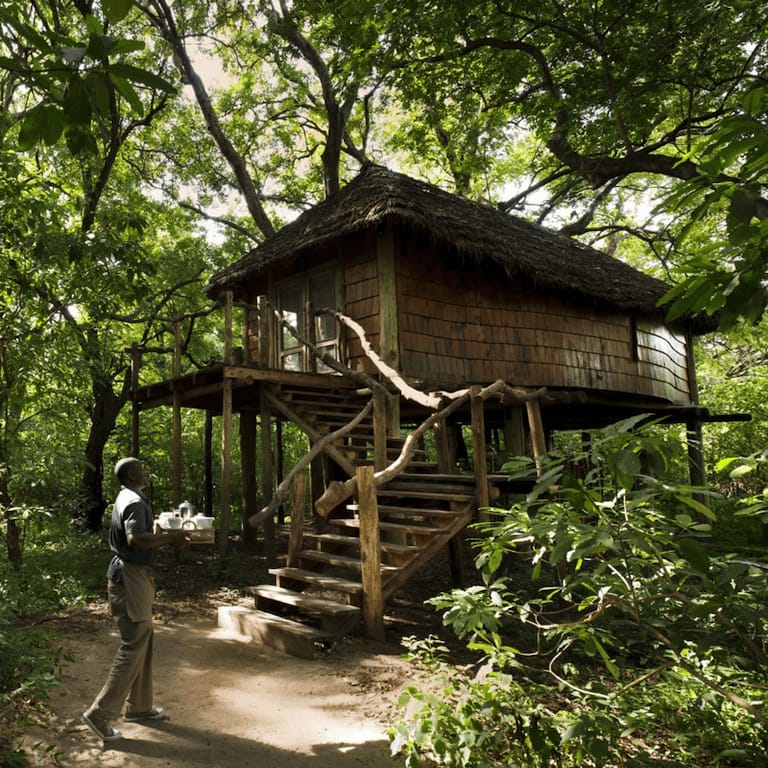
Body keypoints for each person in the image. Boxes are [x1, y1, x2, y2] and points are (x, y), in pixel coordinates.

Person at [82, 457, 189, 742]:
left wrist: (160, 530)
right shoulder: (135, 501)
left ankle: (139, 707)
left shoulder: (128, 497)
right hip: (130, 578)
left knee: (144, 638)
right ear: (131, 474)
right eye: (141, 467)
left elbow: (139, 534)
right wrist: (171, 538)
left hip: (132, 576)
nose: (146, 470)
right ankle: (99, 714)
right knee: (134, 644)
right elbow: (135, 540)